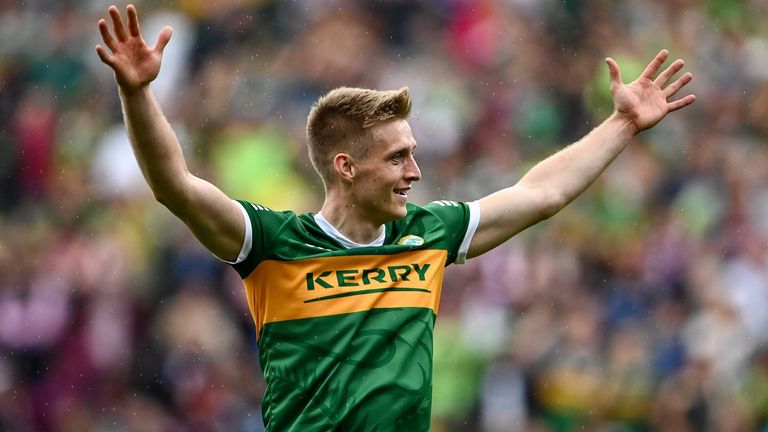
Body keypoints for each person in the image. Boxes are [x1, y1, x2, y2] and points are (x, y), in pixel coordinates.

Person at [96, 4, 695, 431]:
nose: (415, 171)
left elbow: (540, 194)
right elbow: (174, 185)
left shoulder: (428, 233)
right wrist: (137, 93)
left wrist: (621, 125)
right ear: (347, 166)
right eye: (398, 157)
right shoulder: (274, 243)